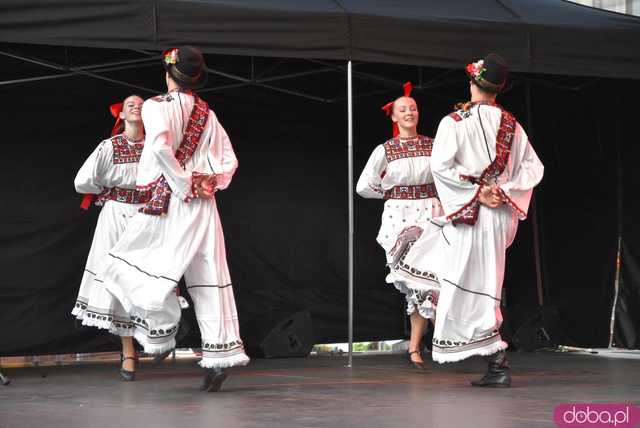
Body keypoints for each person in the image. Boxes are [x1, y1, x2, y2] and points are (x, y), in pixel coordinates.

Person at [390, 53, 544, 387]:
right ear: (498, 89)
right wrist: (503, 190)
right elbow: (534, 169)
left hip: (472, 215)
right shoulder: (512, 125)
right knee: (481, 282)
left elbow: (441, 167)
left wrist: (478, 193)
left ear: (472, 81)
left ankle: (497, 361)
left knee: (467, 284)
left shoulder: (454, 122)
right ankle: (495, 360)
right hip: (498, 217)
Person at [101, 46, 249, 392]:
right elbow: (229, 159)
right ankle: (218, 355)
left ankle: (161, 333)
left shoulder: (155, 106)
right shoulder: (206, 113)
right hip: (203, 204)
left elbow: (159, 147)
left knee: (133, 265)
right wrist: (209, 180)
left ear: (168, 74)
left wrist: (182, 182)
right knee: (208, 275)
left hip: (168, 202)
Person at [356, 83, 443, 370]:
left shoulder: (433, 145)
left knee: (430, 283)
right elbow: (364, 186)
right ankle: (444, 342)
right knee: (415, 284)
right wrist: (392, 193)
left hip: (431, 214)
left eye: (413, 108)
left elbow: (448, 177)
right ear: (393, 116)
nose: (409, 112)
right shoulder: (386, 150)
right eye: (403, 109)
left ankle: (419, 348)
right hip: (400, 218)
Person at [72, 95, 147, 381]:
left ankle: (157, 335)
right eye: (131, 105)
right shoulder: (110, 146)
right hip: (116, 216)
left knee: (151, 279)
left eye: (141, 104)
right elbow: (82, 181)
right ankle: (129, 350)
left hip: (149, 216)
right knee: (120, 283)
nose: (136, 107)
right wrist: (105, 189)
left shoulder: (157, 144)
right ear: (122, 114)